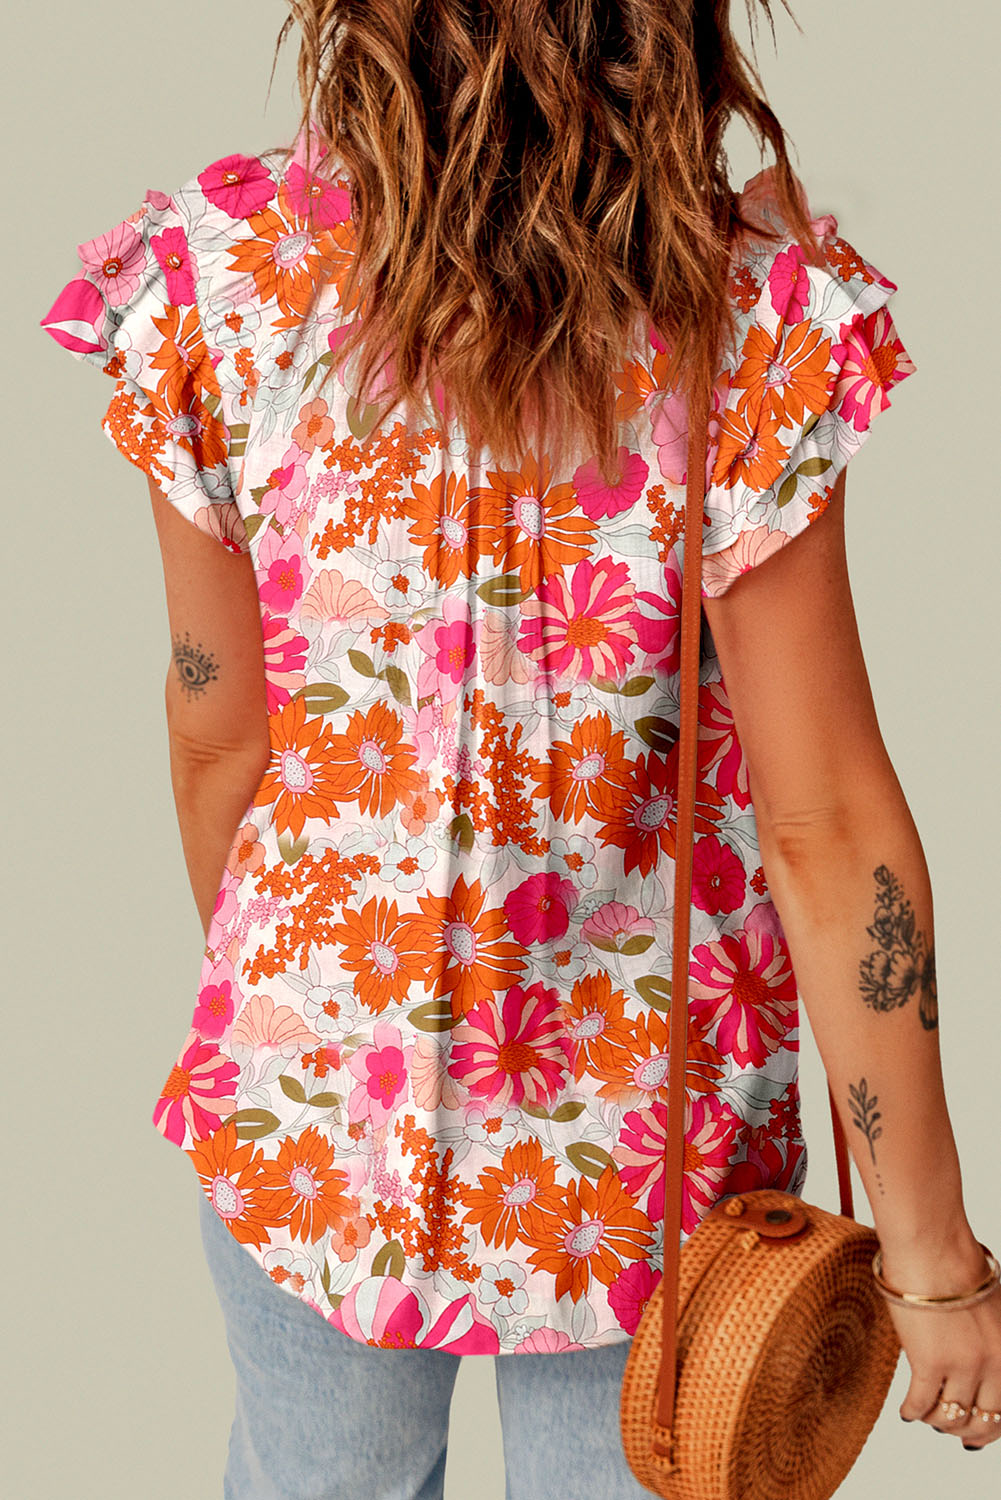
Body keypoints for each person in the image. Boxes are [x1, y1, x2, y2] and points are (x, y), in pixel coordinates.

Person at [39, 3, 999, 1496]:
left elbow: (216, 732)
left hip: (313, 1114)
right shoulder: (751, 318)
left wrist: (311, 1029)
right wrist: (932, 1256)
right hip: (652, 1159)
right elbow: (823, 825)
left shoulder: (218, 279)